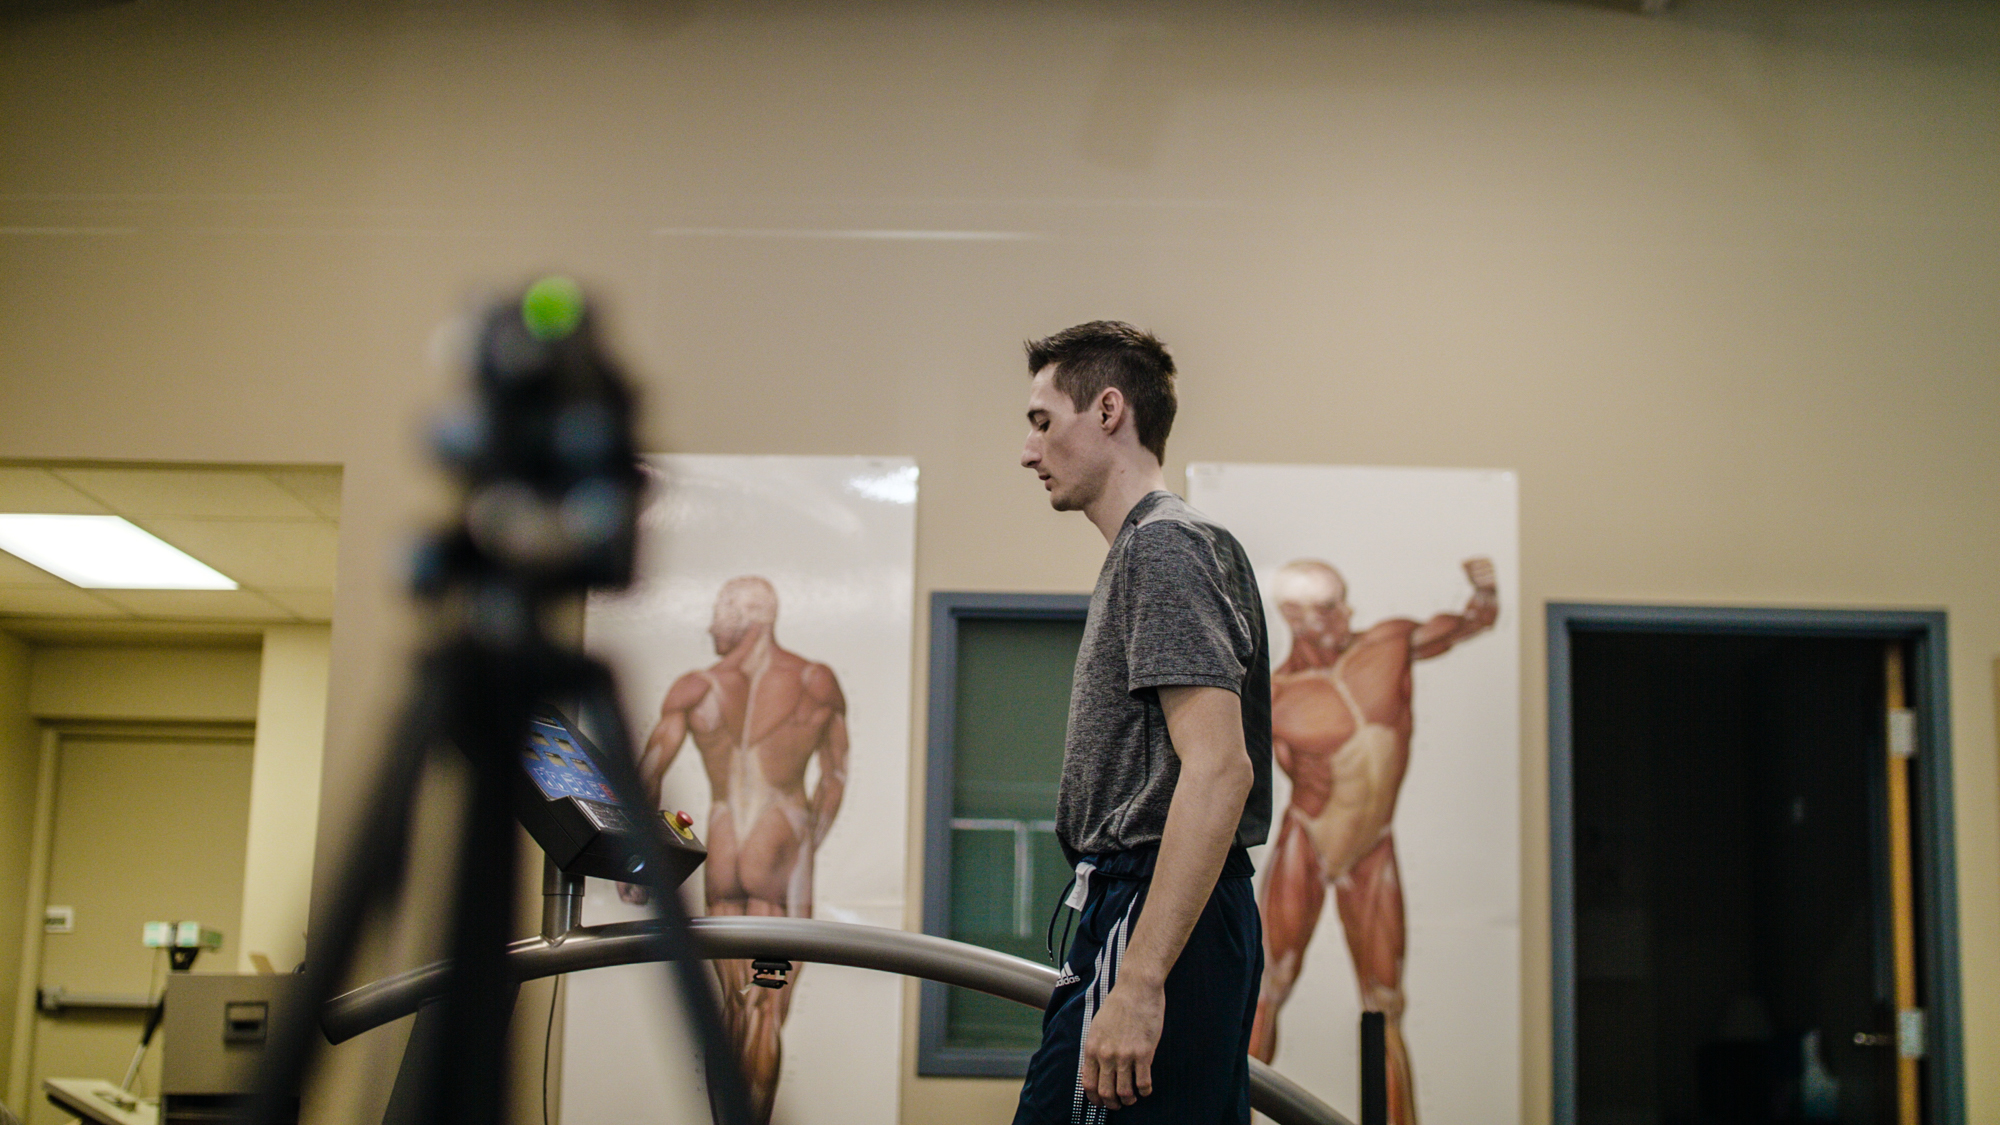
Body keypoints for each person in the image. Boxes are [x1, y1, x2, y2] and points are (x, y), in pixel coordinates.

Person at [1013, 320, 1272, 1125]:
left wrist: (1141, 978)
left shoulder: (1163, 547)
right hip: (1147, 906)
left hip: (1154, 903)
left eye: (1042, 420)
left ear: (1110, 410)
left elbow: (1220, 767)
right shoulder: (1156, 549)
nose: (1028, 451)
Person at [1248, 557, 1498, 1125]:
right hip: (1308, 839)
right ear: (1297, 617)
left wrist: (1485, 590)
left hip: (1371, 847)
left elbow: (1471, 622)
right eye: (1332, 606)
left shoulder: (1389, 644)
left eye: (1343, 600)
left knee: (1385, 1005)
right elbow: (1265, 769)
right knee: (1266, 987)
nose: (1348, 613)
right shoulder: (1278, 694)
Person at [622, 575, 849, 1125]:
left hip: (725, 854)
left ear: (750, 618)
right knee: (766, 1006)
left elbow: (646, 775)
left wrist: (638, 854)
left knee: (731, 1004)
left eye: (719, 616)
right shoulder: (815, 681)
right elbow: (834, 776)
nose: (710, 627)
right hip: (780, 859)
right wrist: (805, 841)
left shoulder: (695, 689)